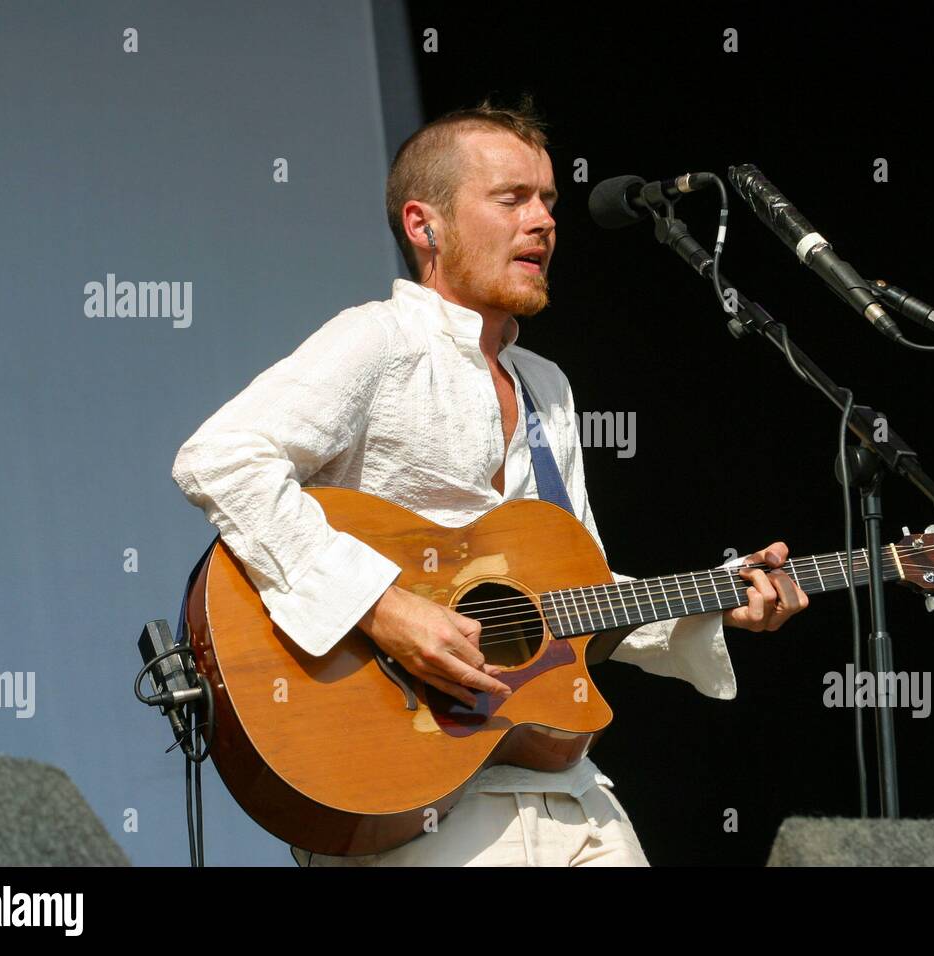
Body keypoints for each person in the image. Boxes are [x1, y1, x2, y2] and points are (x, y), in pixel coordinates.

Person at [171, 96, 809, 866]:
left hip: (564, 783)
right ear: (425, 225)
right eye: (511, 199)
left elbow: (575, 593)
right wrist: (381, 605)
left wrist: (711, 602)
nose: (542, 221)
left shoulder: (547, 385)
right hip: (410, 786)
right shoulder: (380, 341)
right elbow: (222, 456)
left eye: (548, 201)